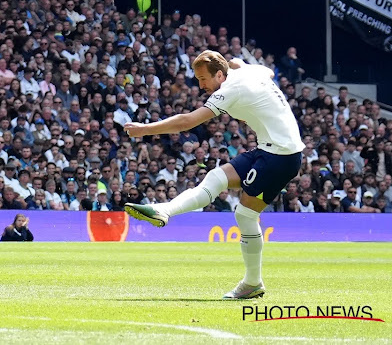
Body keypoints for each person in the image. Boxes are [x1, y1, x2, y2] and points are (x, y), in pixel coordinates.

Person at [124, 52, 304, 299]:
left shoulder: (230, 90)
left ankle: (253, 283)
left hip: (281, 157)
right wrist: (234, 63)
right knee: (215, 177)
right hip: (268, 148)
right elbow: (265, 71)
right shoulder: (251, 72)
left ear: (220, 75)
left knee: (245, 214)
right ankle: (164, 210)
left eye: (203, 79)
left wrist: (145, 129)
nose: (201, 86)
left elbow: (186, 122)